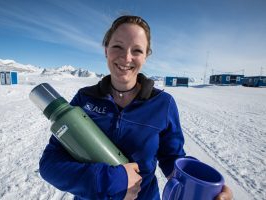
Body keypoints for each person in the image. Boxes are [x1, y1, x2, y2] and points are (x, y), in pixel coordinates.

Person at [39, 15, 233, 200]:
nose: (126, 57)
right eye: (117, 46)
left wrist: (206, 188)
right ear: (106, 49)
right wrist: (107, 181)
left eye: (137, 50)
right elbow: (50, 165)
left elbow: (172, 158)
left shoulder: (163, 104)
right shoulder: (85, 98)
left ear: (146, 56)